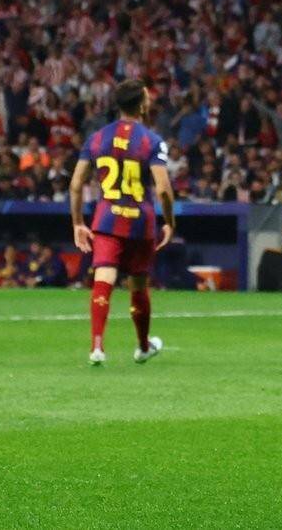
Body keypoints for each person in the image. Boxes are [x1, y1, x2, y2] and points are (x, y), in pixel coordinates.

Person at [69, 79, 175, 366]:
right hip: (141, 222)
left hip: (106, 220)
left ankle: (97, 347)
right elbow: (163, 189)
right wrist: (169, 222)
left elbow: (76, 184)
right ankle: (142, 346)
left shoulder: (97, 138)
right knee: (138, 285)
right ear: (141, 105)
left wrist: (78, 222)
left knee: (104, 279)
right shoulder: (152, 141)